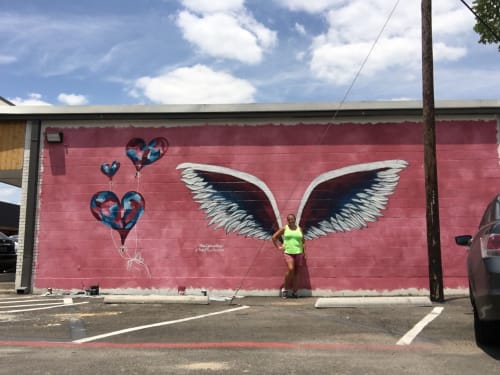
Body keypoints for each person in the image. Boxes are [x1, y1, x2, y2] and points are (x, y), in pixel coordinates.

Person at [272, 213, 306, 298]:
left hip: (299, 252)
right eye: (289, 219)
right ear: (287, 220)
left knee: (297, 272)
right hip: (288, 252)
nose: (291, 220)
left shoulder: (299, 229)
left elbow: (303, 241)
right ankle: (285, 289)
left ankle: (295, 291)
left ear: (295, 219)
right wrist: (279, 247)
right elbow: (274, 237)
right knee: (291, 269)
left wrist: (304, 252)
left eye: (292, 219)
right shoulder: (285, 228)